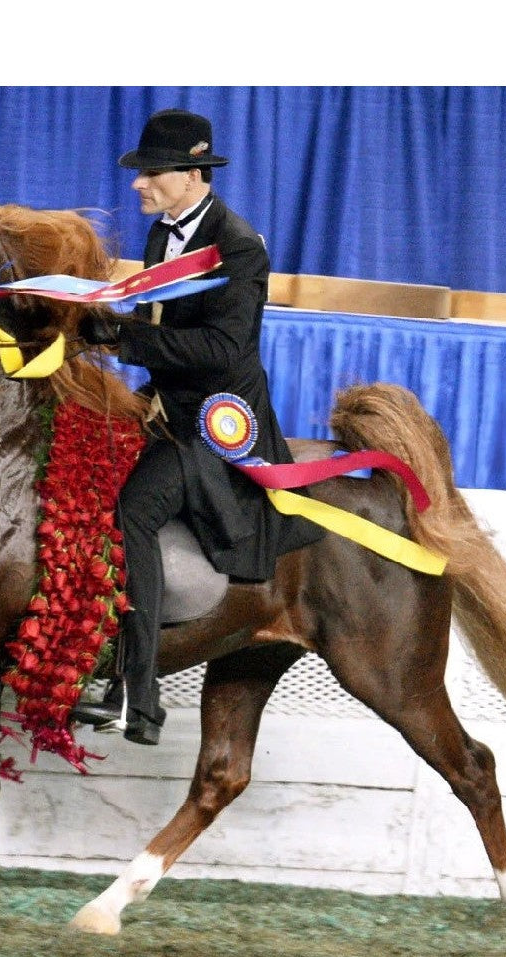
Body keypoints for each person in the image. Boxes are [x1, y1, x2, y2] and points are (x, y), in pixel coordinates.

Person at [71, 108, 323, 745]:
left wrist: (123, 338)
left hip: (216, 428)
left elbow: (222, 348)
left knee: (133, 512)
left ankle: (135, 693)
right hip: (168, 411)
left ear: (191, 174)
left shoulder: (238, 246)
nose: (138, 183)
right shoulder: (162, 237)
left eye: (151, 172)